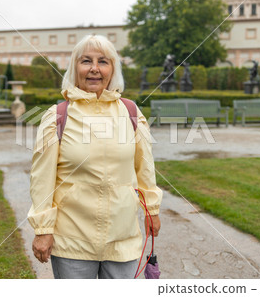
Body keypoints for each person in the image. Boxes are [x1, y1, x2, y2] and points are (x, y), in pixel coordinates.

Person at [28, 35, 163, 279]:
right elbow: (41, 180)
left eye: (103, 61)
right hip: (72, 240)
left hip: (122, 239)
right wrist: (43, 229)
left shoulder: (131, 113)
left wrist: (152, 210)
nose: (94, 68)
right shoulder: (58, 116)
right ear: (74, 68)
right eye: (86, 61)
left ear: (112, 69)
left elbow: (145, 168)